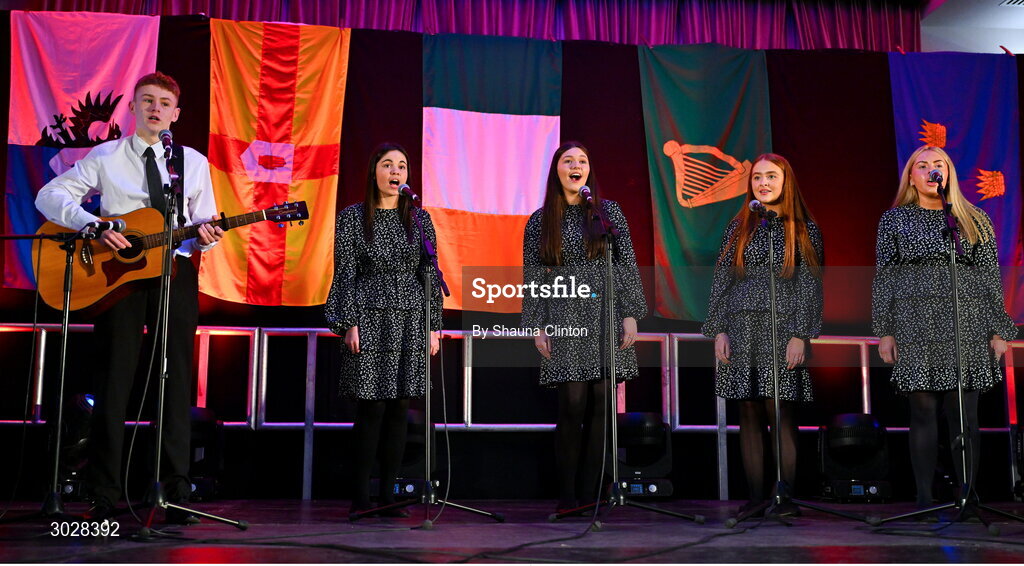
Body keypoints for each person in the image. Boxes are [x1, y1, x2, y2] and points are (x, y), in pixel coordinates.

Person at [35, 72, 224, 523]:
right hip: (116, 275)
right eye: (147, 101)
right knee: (114, 380)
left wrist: (208, 236)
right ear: (134, 109)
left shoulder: (191, 162)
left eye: (164, 103)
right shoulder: (106, 156)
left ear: (176, 114)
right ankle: (103, 492)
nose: (155, 108)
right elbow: (50, 194)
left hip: (173, 271)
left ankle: (174, 490)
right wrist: (91, 224)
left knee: (176, 380)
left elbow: (202, 226)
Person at [872, 145, 1016, 513]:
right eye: (922, 166)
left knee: (963, 411)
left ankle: (966, 495)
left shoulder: (973, 218)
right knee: (922, 409)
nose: (930, 170)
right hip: (914, 319)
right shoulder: (894, 220)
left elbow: (988, 276)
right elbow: (885, 276)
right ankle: (924, 498)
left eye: (939, 165)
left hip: (966, 319)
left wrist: (999, 329)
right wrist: (884, 329)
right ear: (911, 176)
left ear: (948, 173)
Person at [522, 141, 647, 514]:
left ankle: (593, 495)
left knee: (601, 405)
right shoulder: (540, 220)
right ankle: (567, 495)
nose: (576, 166)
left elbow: (626, 263)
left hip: (605, 314)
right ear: (557, 170)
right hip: (564, 314)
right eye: (568, 161)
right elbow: (532, 276)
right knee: (573, 404)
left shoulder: (608, 213)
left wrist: (630, 313)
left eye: (583, 161)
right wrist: (536, 324)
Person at [702, 153, 823, 518]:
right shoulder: (738, 226)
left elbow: (810, 285)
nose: (764, 183)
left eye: (771, 177)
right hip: (741, 327)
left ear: (786, 183)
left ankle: (783, 497)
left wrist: (801, 334)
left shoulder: (803, 228)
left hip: (783, 326)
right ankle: (756, 498)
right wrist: (720, 328)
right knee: (749, 411)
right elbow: (722, 279)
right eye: (757, 178)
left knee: (780, 409)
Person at [325, 142, 441, 520]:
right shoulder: (354, 217)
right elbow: (345, 272)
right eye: (388, 165)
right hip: (370, 315)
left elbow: (429, 274)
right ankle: (361, 495)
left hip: (410, 318)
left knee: (400, 408)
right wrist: (348, 321)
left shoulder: (419, 219)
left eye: (402, 166)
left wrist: (433, 327)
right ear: (374, 171)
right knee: (371, 407)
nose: (396, 172)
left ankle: (390, 492)